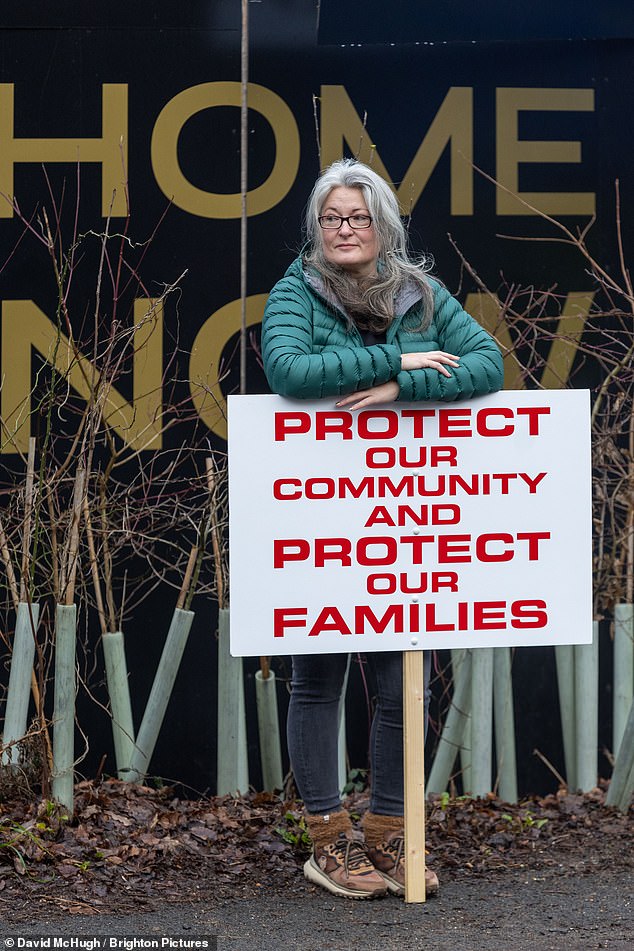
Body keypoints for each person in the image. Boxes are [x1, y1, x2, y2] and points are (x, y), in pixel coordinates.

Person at [261, 159, 504, 900]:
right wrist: (397, 353)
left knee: (406, 675)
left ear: (383, 226)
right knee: (319, 673)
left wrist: (403, 386)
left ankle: (390, 832)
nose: (343, 229)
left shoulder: (423, 294)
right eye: (331, 217)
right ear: (316, 227)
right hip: (319, 510)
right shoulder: (295, 292)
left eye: (357, 217)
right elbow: (290, 371)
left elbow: (488, 364)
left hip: (401, 515)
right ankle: (329, 841)